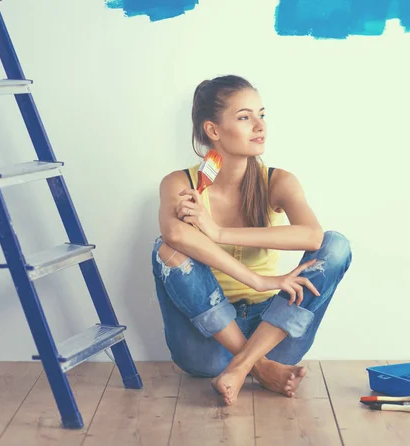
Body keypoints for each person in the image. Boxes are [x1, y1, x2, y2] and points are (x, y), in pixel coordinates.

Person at [151, 74, 352, 405]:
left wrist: (217, 232)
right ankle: (260, 369)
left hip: (272, 333)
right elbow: (172, 235)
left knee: (336, 243)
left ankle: (245, 364)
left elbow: (313, 236)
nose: (260, 126)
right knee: (166, 248)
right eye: (245, 117)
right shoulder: (178, 184)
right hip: (207, 345)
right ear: (212, 130)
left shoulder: (279, 181)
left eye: (261, 114)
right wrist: (259, 280)